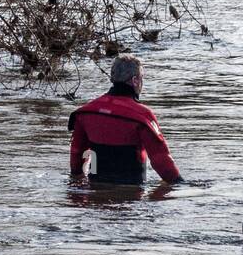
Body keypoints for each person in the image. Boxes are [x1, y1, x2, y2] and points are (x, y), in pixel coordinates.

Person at [68, 55, 182, 185]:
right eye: (142, 78)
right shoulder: (142, 115)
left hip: (96, 189)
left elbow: (77, 157)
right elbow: (160, 160)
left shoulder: (86, 112)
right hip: (132, 195)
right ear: (135, 80)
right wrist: (180, 184)